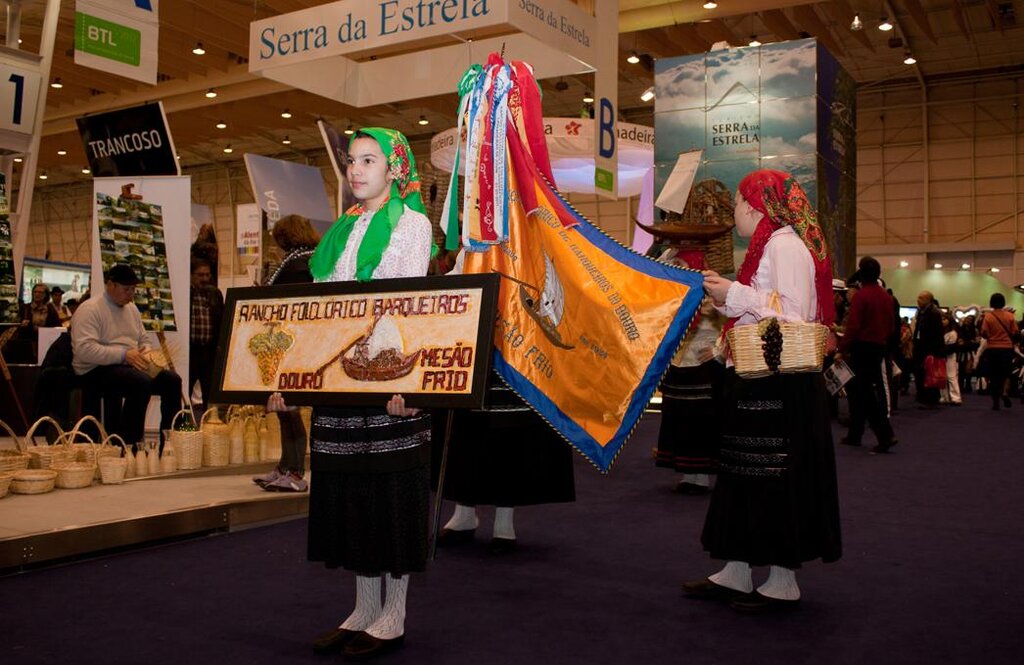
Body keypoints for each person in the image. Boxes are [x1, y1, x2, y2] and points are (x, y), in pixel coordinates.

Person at [266, 128, 432, 660]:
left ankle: (395, 613)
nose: (355, 170)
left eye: (368, 160)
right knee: (351, 496)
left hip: (387, 382)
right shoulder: (338, 231)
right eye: (350, 160)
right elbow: (320, 313)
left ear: (394, 168)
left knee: (391, 495)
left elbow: (407, 305)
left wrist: (402, 378)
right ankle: (363, 607)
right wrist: (293, 378)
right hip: (340, 385)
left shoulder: (413, 225)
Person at [685, 169, 841, 613]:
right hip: (759, 380)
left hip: (780, 382)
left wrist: (734, 292)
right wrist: (729, 293)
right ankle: (736, 570)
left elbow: (792, 318)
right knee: (744, 475)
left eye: (736, 202)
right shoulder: (767, 247)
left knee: (774, 478)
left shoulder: (785, 246)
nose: (733, 211)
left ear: (755, 206)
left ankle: (782, 582)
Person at [433, 253, 576, 554]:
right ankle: (463, 514)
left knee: (512, 438)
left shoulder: (534, 244)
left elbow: (552, 295)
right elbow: (456, 282)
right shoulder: (472, 247)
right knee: (469, 434)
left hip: (522, 356)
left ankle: (504, 519)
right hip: (477, 350)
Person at [71, 264, 182, 449]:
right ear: (110, 285)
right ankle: (127, 444)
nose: (131, 294)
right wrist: (123, 355)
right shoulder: (90, 309)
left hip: (126, 365)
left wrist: (146, 353)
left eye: (133, 289)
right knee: (140, 382)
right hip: (94, 369)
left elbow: (143, 339)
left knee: (172, 380)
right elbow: (84, 349)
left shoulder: (132, 309)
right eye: (126, 289)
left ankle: (170, 443)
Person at [253, 214, 320, 493]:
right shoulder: (305, 261)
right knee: (285, 409)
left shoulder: (296, 266)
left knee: (289, 409)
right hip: (290, 345)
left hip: (290, 347)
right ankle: (285, 466)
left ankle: (294, 471)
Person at [653, 297, 724, 494]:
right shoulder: (677, 291)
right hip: (679, 365)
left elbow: (732, 323)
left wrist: (719, 349)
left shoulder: (713, 292)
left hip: (703, 367)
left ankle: (700, 477)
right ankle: (688, 474)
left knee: (700, 424)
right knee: (679, 422)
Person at [837, 256, 898, 453]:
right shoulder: (886, 297)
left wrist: (842, 348)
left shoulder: (861, 297)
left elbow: (853, 327)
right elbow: (891, 326)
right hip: (878, 347)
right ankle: (856, 433)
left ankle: (885, 435)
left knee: (864, 394)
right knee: (861, 392)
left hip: (861, 348)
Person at [188, 257, 224, 415]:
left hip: (209, 351)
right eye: (200, 275)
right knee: (184, 390)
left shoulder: (215, 294)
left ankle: (210, 426)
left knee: (211, 394)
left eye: (207, 275)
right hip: (190, 351)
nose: (204, 279)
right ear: (190, 275)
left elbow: (222, 320)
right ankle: (184, 429)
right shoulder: (185, 294)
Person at [978, 293, 1020, 410]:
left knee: (994, 374)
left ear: (991, 302)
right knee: (1006, 373)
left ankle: (995, 401)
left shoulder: (989, 316)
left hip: (992, 348)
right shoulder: (1010, 316)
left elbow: (984, 333)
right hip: (1007, 348)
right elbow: (1015, 332)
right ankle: (1005, 392)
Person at [912, 291, 944, 407]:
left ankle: (930, 400)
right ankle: (923, 398)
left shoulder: (933, 313)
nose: (918, 299)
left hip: (929, 350)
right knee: (921, 374)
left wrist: (933, 352)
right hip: (920, 348)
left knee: (929, 375)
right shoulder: (921, 312)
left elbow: (936, 335)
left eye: (921, 298)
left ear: (928, 300)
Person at [939, 313, 962, 405]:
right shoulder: (940, 332)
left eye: (944, 319)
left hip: (950, 357)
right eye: (941, 319)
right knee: (942, 377)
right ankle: (944, 397)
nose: (942, 321)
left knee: (951, 377)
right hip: (941, 356)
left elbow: (951, 348)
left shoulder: (952, 333)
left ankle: (956, 398)